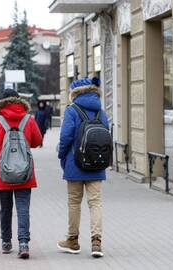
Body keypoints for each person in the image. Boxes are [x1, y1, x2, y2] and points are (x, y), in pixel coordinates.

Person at [0, 89, 42, 259]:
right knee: (23, 209)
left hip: (4, 174)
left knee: (5, 209)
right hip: (25, 173)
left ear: (2, 102)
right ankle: (24, 243)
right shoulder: (28, 120)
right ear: (18, 100)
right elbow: (37, 142)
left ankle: (6, 242)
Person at [57, 77, 109, 258]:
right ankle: (96, 242)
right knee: (95, 202)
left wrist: (62, 156)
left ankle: (72, 240)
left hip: (75, 164)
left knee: (74, 202)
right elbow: (106, 136)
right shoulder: (100, 112)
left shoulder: (72, 110)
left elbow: (65, 138)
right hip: (97, 163)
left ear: (75, 92)